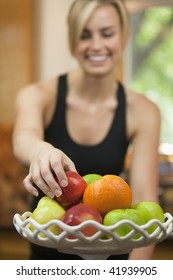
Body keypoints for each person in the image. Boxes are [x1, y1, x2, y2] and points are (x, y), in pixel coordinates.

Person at [12, 0, 160, 260]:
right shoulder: (37, 95)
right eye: (84, 35)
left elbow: (146, 197)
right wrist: (41, 151)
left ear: (124, 36)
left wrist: (133, 273)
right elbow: (24, 137)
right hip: (49, 255)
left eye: (107, 33)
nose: (96, 45)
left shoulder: (144, 111)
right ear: (72, 40)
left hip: (112, 252)